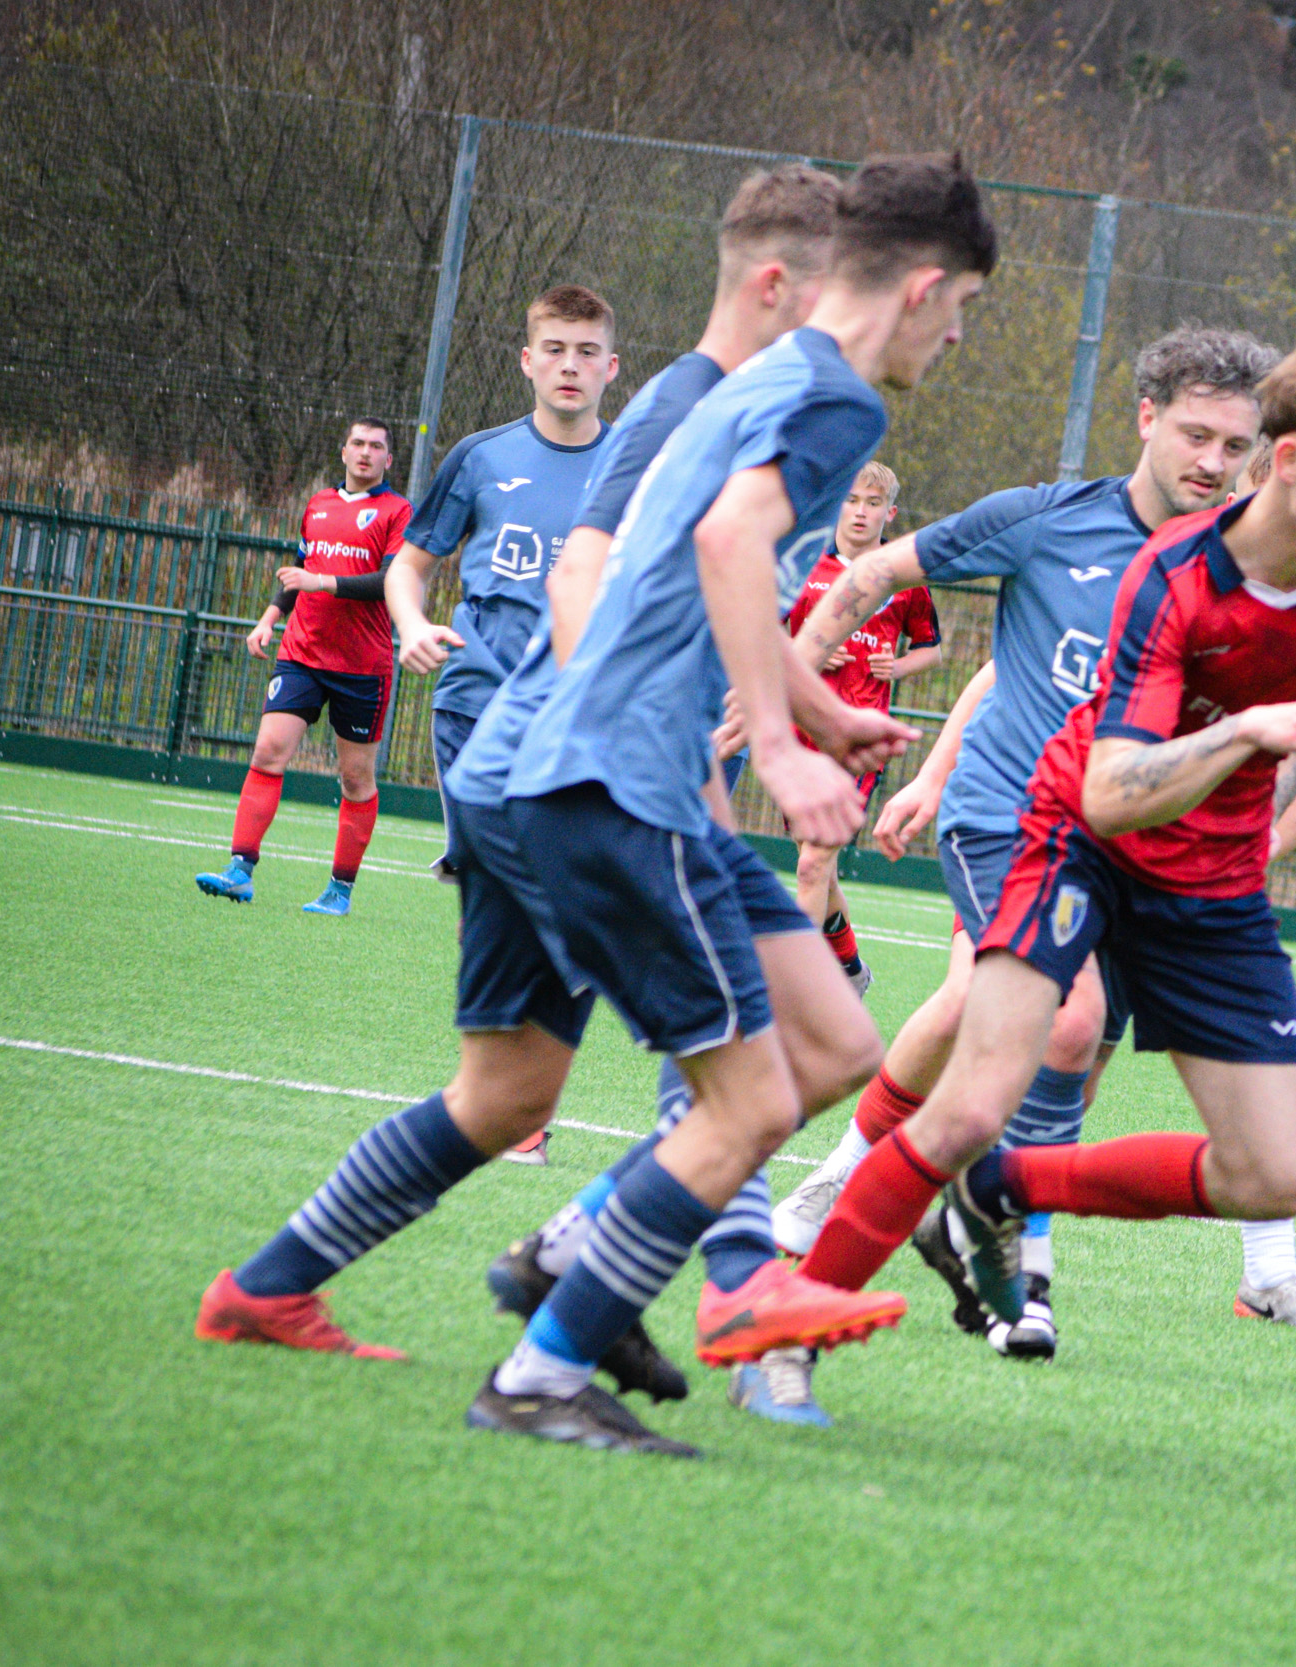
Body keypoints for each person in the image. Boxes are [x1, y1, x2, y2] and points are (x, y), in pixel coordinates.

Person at [189, 166, 902, 1433]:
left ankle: (272, 1284)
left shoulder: (707, 399)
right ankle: (611, 1315)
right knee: (750, 1074)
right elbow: (616, 579)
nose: (914, 329)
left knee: (516, 1091)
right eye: (897, 298)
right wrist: (731, 745)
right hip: (598, 777)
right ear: (788, 282)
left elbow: (644, 574)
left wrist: (811, 704)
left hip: (544, 769)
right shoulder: (744, 402)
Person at [452, 151, 995, 1455]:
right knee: (750, 1101)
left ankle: (578, 1243)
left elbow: (684, 558)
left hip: (610, 773)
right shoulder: (836, 400)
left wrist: (813, 705)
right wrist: (791, 755)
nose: (962, 335)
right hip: (620, 778)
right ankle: (541, 1369)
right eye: (966, 307)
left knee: (836, 1044)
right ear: (921, 288)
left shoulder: (764, 377)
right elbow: (722, 544)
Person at [785, 336, 1296, 1378]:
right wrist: (1250, 730)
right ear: (1289, 461)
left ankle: (1010, 1196)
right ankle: (797, 1305)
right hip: (1060, 829)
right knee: (1015, 1060)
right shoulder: (1161, 576)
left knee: (1273, 1171)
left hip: (1203, 867)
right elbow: (1088, 770)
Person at [376, 283, 618, 1162]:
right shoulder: (480, 458)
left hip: (582, 717)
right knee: (507, 893)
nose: (569, 365)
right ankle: (505, 1100)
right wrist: (411, 625)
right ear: (527, 359)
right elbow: (411, 565)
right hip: (476, 701)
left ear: (611, 367)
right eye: (554, 348)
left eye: (586, 352)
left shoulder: (634, 466)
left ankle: (504, 1096)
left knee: (554, 897)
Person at [195, 419, 411, 914]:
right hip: (302, 653)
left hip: (363, 664)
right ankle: (239, 872)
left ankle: (339, 890)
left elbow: (389, 581)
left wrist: (322, 582)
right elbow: (298, 570)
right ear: (343, 451)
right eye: (358, 443)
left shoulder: (397, 511)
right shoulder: (318, 504)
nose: (365, 453)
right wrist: (270, 617)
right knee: (269, 749)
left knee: (355, 779)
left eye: (376, 447)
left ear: (388, 460)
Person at [780, 461, 943, 993]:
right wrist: (808, 653)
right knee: (815, 865)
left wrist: (897, 667)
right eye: (852, 500)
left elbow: (932, 649)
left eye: (873, 504)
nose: (860, 511)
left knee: (811, 864)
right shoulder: (806, 566)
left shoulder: (901, 576)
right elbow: (769, 633)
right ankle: (850, 971)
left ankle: (796, 995)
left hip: (860, 742)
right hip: (800, 732)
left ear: (889, 513)